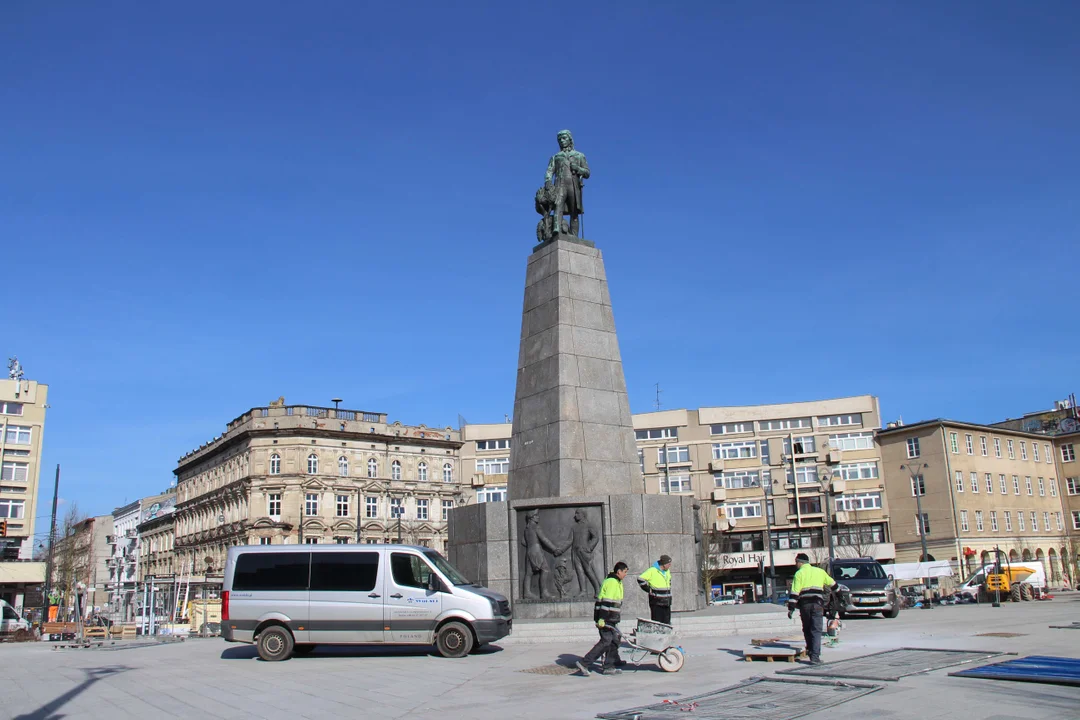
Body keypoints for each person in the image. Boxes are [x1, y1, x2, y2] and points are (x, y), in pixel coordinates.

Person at [576, 561, 628, 676]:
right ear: (619, 571)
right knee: (606, 641)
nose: (625, 574)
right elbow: (606, 601)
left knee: (614, 640)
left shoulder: (616, 581)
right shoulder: (612, 582)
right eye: (624, 572)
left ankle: (610, 664)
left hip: (611, 618)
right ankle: (584, 663)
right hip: (606, 617)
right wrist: (602, 619)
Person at [786, 553, 835, 665]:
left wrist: (791, 608)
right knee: (816, 630)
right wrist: (840, 596)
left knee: (807, 629)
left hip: (805, 606)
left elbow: (795, 592)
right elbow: (833, 584)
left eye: (796, 562)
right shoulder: (819, 572)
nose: (796, 565)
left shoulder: (799, 574)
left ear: (800, 562)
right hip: (817, 604)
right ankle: (815, 657)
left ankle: (810, 650)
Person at [637, 554, 673, 624]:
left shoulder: (667, 571)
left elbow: (669, 580)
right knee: (658, 622)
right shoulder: (652, 570)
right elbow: (640, 578)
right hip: (657, 602)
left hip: (666, 602)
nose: (670, 565)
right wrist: (648, 589)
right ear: (664, 564)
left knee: (667, 622)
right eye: (669, 564)